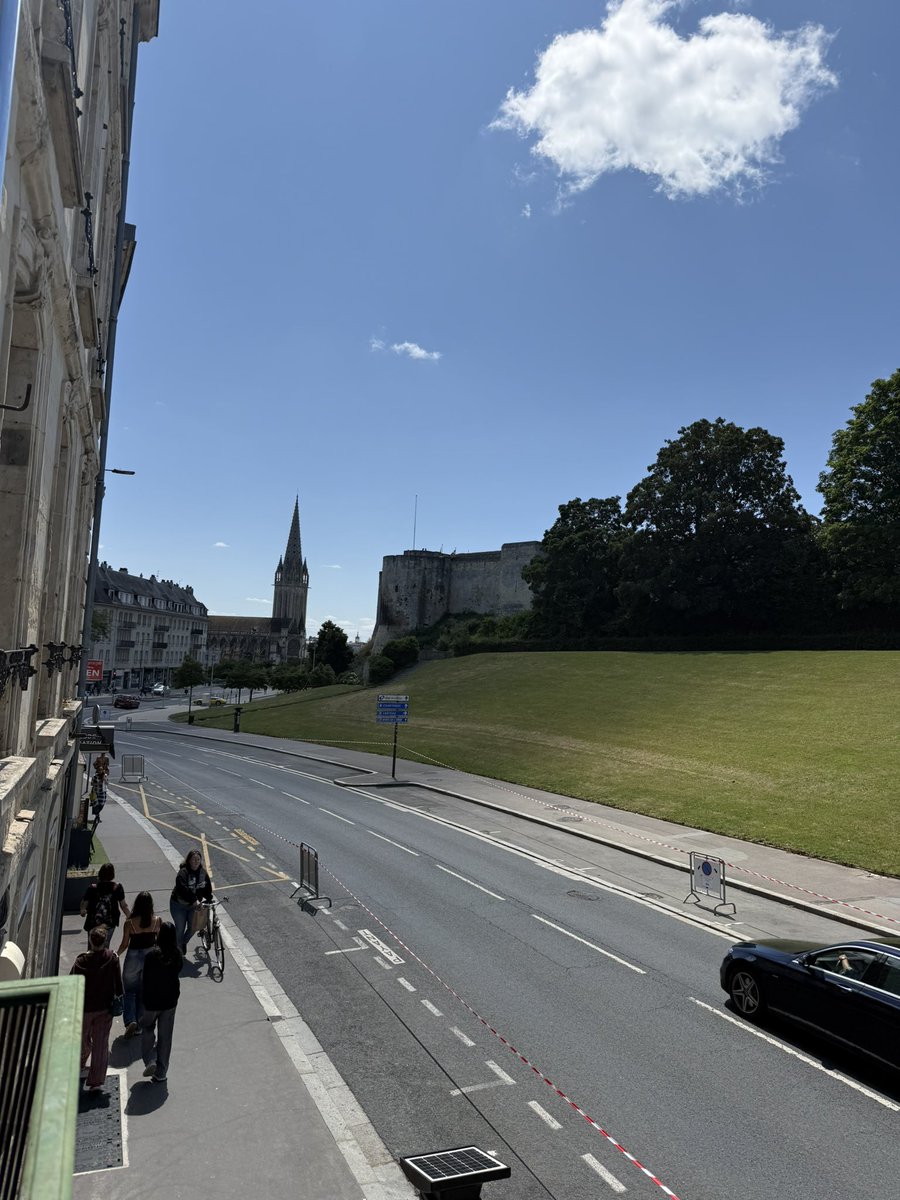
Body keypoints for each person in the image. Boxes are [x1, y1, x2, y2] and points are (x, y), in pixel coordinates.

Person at [70, 925, 124, 1091]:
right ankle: (95, 1082)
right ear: (105, 941)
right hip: (104, 1008)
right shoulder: (112, 958)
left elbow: (71, 983)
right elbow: (119, 986)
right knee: (101, 1044)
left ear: (90, 941)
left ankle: (80, 1063)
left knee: (82, 1040)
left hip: (84, 1009)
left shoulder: (80, 962)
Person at [140, 921, 183, 1084]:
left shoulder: (151, 956)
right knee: (166, 1037)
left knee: (147, 1029)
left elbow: (145, 979)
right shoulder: (177, 954)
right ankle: (161, 1071)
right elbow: (177, 971)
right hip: (170, 1001)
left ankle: (150, 1059)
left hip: (152, 1001)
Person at [117, 891, 161, 1037]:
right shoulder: (157, 921)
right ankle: (140, 1025)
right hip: (150, 958)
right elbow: (159, 942)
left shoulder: (129, 923)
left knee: (129, 991)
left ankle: (130, 1020)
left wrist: (116, 954)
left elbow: (124, 944)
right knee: (143, 991)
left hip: (133, 956)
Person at [169, 848, 212, 955]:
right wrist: (194, 900)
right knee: (180, 928)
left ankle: (183, 942)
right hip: (178, 905)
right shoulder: (183, 873)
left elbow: (207, 888)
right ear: (188, 860)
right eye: (193, 859)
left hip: (193, 906)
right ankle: (178, 951)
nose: (196, 862)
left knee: (193, 927)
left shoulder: (203, 873)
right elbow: (183, 889)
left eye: (198, 860)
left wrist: (209, 899)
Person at [81, 863, 130, 948]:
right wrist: (129, 916)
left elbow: (84, 904)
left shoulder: (93, 888)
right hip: (109, 923)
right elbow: (123, 905)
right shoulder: (117, 887)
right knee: (105, 946)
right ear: (112, 874)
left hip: (93, 922)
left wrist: (83, 911)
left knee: (92, 946)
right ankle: (105, 960)